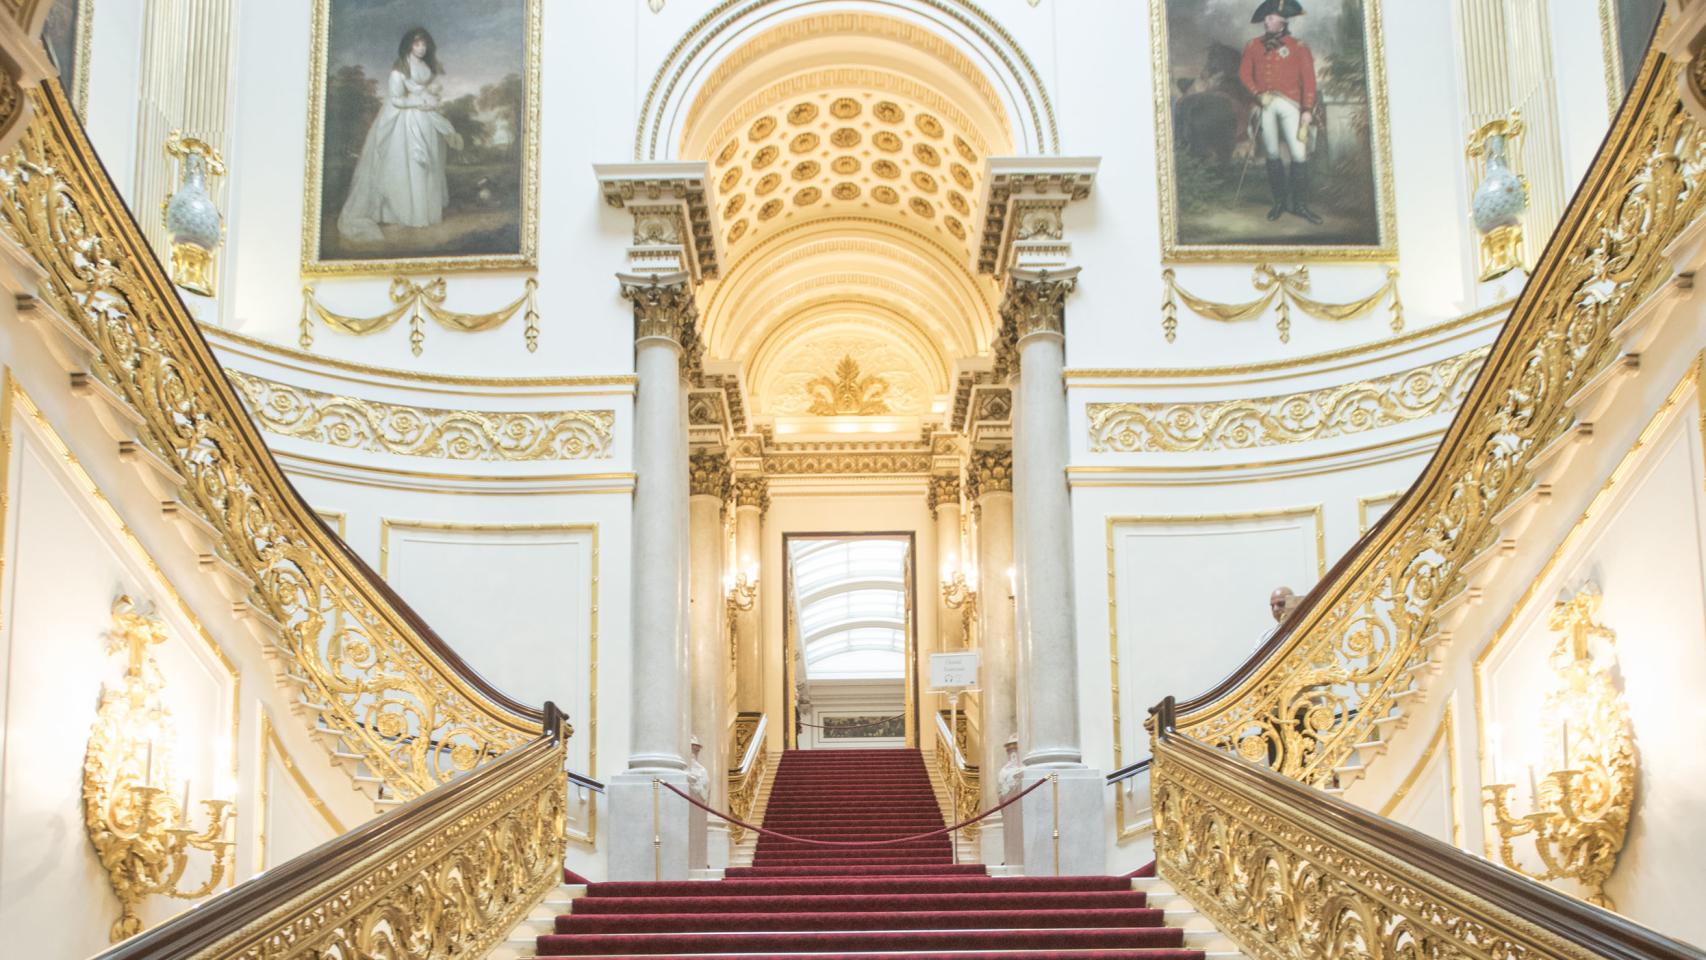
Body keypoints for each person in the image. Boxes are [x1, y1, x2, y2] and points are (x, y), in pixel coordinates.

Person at [338, 27, 465, 243]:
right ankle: (411, 215)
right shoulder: (399, 69)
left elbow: (425, 88)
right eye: (417, 44)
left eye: (424, 44)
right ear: (408, 45)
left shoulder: (425, 65)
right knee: (412, 165)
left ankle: (425, 214)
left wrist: (431, 98)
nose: (421, 48)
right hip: (406, 122)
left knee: (429, 166)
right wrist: (420, 101)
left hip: (426, 118)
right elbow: (396, 99)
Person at [1238, 1, 1323, 225]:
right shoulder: (1253, 45)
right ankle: (1279, 203)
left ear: (1283, 21)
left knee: (1298, 153)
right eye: (1265, 17)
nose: (1266, 20)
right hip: (1265, 105)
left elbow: (1309, 82)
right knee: (1272, 154)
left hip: (1291, 105)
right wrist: (1258, 94)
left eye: (1271, 17)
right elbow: (1244, 74)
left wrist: (1307, 111)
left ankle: (1300, 205)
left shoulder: (1299, 47)